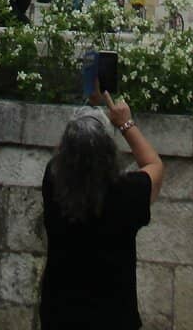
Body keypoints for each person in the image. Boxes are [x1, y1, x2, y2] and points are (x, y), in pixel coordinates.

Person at [39, 92, 164, 329]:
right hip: (114, 317)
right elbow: (154, 165)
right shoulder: (127, 192)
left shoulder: (53, 183)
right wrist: (125, 123)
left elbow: (60, 156)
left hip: (59, 315)